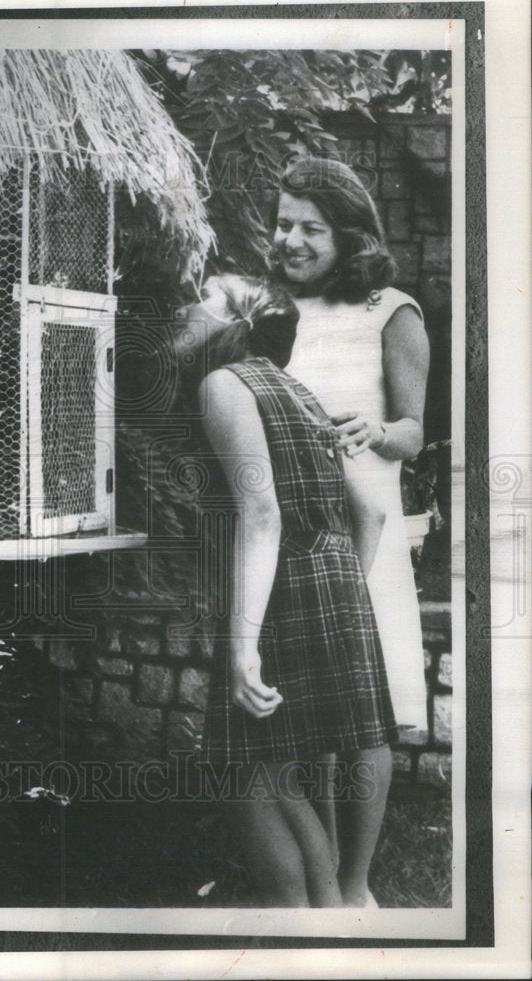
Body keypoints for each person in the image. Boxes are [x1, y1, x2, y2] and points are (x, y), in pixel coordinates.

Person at [175, 273, 398, 908]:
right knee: (273, 769)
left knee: (247, 771)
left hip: (277, 587)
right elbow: (371, 513)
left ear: (236, 323)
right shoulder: (296, 388)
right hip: (333, 580)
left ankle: (297, 920)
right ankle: (334, 909)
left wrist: (245, 646)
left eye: (209, 296)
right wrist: (342, 590)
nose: (190, 302)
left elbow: (262, 515)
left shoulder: (223, 384)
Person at [269, 157, 430, 738]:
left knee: (364, 714)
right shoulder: (271, 308)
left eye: (312, 229)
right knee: (295, 718)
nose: (291, 240)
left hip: (367, 525)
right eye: (285, 224)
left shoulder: (389, 309)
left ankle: (355, 836)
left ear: (349, 233)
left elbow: (413, 431)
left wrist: (376, 431)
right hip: (286, 527)